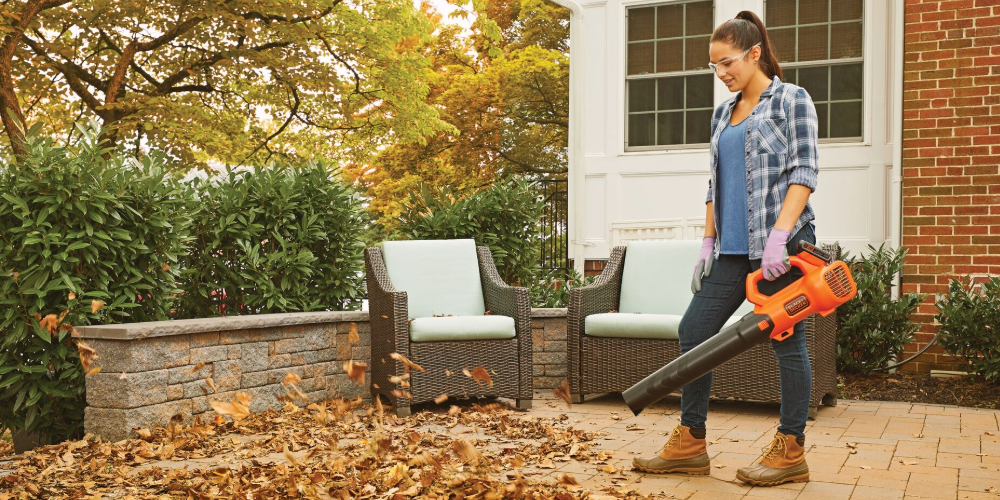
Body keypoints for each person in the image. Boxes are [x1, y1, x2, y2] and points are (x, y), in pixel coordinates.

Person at [631, 11, 820, 487]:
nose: (721, 74)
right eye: (714, 66)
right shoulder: (722, 113)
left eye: (727, 62)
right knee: (693, 331)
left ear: (754, 53)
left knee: (786, 342)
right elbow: (715, 184)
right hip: (733, 251)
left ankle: (791, 448)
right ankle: (691, 442)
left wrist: (780, 237)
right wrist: (707, 242)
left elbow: (804, 173)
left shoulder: (791, 100)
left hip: (782, 248)